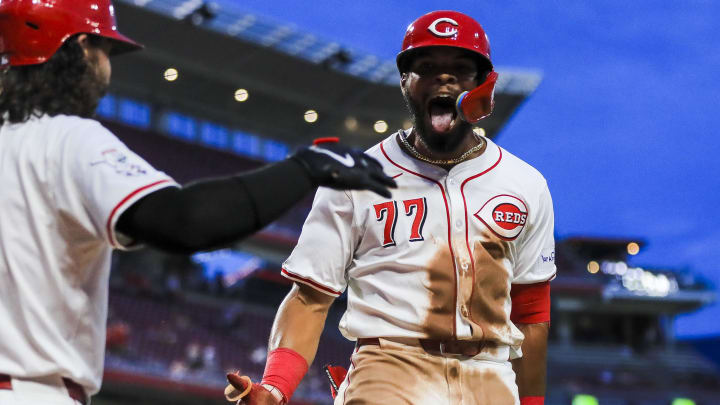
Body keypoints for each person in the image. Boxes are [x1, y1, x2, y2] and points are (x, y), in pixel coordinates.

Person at [0, 1, 395, 404]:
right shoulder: (65, 138)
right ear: (81, 47)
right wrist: (303, 168)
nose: (107, 68)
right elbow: (185, 220)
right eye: (105, 51)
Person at [225, 10, 554, 405]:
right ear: (404, 82)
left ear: (486, 86)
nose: (444, 78)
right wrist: (276, 386)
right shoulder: (354, 176)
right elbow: (310, 296)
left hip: (490, 372)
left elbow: (531, 312)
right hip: (390, 365)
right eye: (426, 67)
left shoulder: (525, 184)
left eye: (461, 69)